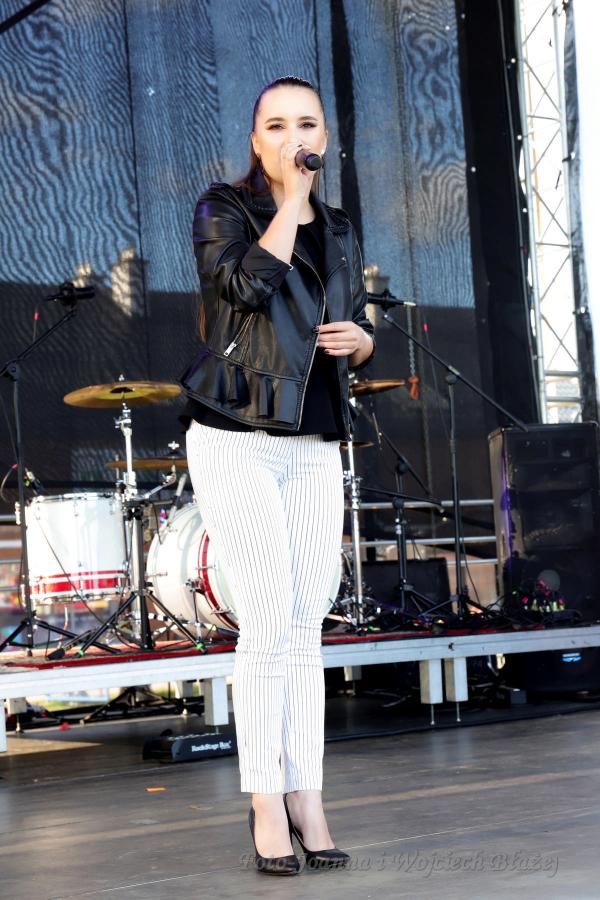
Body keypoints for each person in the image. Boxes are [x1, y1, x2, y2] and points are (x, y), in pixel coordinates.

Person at [179, 75, 375, 874]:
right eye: (278, 125)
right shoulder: (223, 208)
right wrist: (290, 203)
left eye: (308, 124)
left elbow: (354, 318)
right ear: (257, 139)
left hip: (314, 440)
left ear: (325, 136)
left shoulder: (342, 226)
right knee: (265, 620)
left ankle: (307, 794)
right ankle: (265, 798)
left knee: (304, 622)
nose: (295, 137)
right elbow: (244, 286)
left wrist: (364, 343)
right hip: (236, 434)